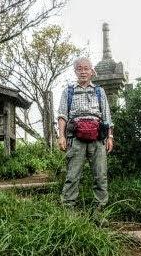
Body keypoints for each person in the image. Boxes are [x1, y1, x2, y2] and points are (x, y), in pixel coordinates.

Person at [57, 57, 114, 210]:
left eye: (86, 68)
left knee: (100, 176)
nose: (83, 71)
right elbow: (62, 115)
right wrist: (61, 136)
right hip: (75, 138)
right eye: (79, 68)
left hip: (97, 138)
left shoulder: (99, 91)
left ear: (91, 71)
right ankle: (68, 210)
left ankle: (99, 211)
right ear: (75, 71)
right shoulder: (68, 91)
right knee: (72, 175)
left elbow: (106, 116)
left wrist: (110, 137)